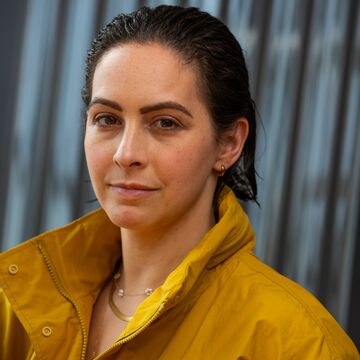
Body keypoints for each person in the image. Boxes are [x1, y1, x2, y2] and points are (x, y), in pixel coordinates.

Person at [0, 5, 358, 360]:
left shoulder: (298, 344)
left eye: (165, 123)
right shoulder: (20, 300)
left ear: (230, 143)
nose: (126, 154)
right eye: (107, 119)